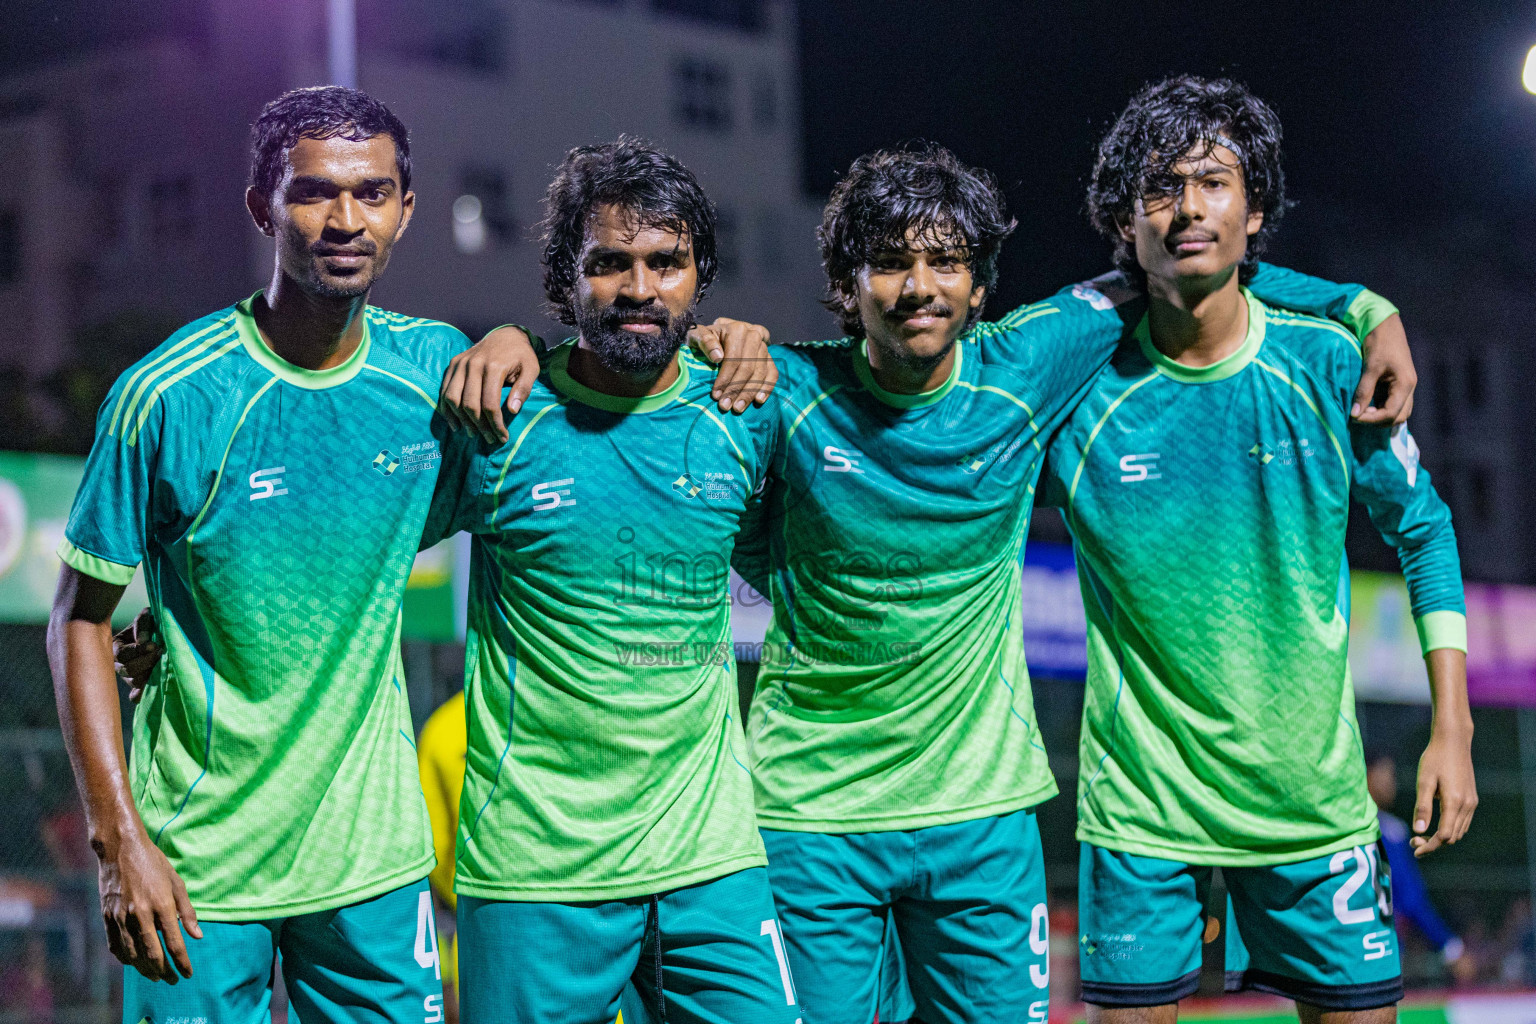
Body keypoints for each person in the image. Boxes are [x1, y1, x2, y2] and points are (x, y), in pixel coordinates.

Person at [452, 142, 1418, 1024]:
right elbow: (633, 363)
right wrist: (524, 344)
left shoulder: (1030, 363)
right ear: (845, 284)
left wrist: (1362, 306)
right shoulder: (775, 390)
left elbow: (1187, 259)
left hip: (982, 816)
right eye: (889, 263)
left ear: (982, 286)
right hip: (808, 818)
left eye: (946, 262)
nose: (919, 287)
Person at [1039, 75, 1476, 1024]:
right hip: (1142, 818)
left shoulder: (1327, 365)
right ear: (1125, 221)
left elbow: (1427, 532)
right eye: (1160, 188)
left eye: (1214, 182)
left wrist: (1455, 725)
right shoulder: (1074, 390)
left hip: (1311, 808)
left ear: (1258, 207)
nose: (1189, 206)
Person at [423, 138, 801, 1024]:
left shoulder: (744, 411)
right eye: (610, 264)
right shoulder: (498, 418)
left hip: (711, 862)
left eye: (666, 262)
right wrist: (171, 623)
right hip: (536, 873)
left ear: (700, 276)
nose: (640, 289)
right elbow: (348, 550)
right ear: (564, 278)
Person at [1367, 750, 1476, 985]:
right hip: (1378, 951)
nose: (1392, 782)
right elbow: (1412, 899)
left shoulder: (1330, 828)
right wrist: (1450, 947)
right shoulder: (1389, 832)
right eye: (1387, 773)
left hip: (1328, 950)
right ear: (1366, 774)